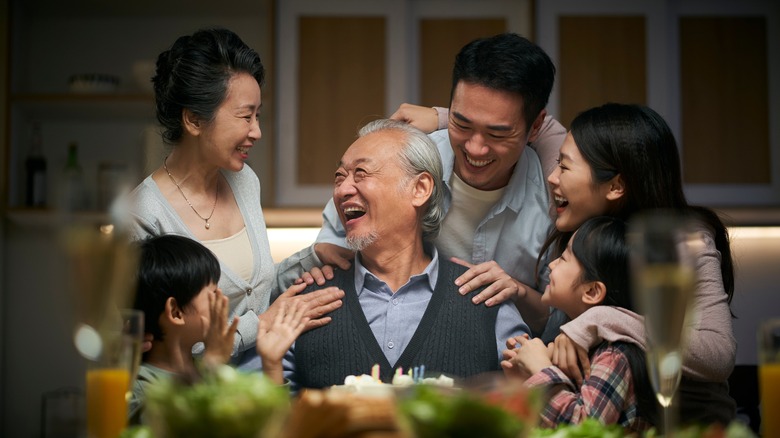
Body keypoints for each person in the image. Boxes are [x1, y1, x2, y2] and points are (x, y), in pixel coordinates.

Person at [314, 33, 567, 335]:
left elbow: (560, 318)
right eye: (461, 124)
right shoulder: (403, 160)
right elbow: (330, 250)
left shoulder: (556, 201)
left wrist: (517, 291)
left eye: (497, 134)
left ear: (535, 126)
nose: (475, 148)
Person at [127, 28, 343, 366]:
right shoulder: (142, 215)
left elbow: (249, 293)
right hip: (201, 402)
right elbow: (156, 351)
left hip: (269, 376)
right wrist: (262, 326)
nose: (256, 131)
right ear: (194, 119)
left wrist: (310, 257)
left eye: (258, 115)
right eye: (246, 116)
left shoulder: (245, 182)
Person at [283, 119, 531, 389]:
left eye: (361, 173)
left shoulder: (486, 299)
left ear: (420, 189)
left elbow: (530, 407)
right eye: (339, 177)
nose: (342, 190)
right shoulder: (305, 300)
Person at [541, 103, 736, 424]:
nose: (552, 177)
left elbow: (717, 354)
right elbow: (533, 125)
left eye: (564, 167)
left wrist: (600, 319)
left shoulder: (684, 242)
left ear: (616, 186)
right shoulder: (588, 233)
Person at [128, 235, 308, 424]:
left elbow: (271, 429)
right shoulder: (140, 389)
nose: (223, 300)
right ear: (175, 312)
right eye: (213, 294)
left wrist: (272, 363)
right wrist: (212, 366)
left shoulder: (206, 369)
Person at [502, 216, 658, 433]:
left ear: (591, 291)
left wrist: (540, 369)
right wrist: (525, 382)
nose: (552, 263)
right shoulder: (573, 344)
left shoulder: (614, 355)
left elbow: (585, 430)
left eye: (564, 258)